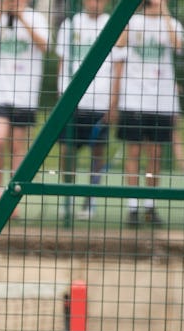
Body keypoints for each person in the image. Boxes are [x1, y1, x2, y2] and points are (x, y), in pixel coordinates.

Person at [114, 0, 184, 226]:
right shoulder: (133, 21)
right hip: (134, 97)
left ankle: (150, 205)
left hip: (162, 100)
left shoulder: (172, 23)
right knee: (133, 151)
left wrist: (164, 13)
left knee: (155, 154)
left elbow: (178, 46)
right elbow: (119, 44)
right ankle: (132, 206)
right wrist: (133, 10)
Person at [0, 0, 49, 217]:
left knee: (18, 146)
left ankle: (12, 194)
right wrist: (1, 13)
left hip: (24, 94)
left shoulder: (35, 18)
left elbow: (44, 46)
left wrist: (21, 17)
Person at [55, 0, 116, 220]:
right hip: (73, 102)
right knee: (67, 152)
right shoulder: (70, 25)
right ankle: (67, 197)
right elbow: (63, 63)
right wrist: (61, 95)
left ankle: (90, 199)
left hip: (100, 102)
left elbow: (118, 65)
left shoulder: (113, 24)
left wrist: (113, 103)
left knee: (97, 153)